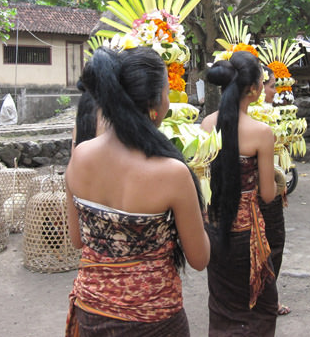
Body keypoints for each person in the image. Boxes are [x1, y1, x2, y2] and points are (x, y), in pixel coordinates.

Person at [65, 46, 210, 336]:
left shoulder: (80, 156)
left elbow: (77, 239)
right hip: (154, 319)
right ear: (155, 102)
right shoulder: (172, 172)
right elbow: (199, 258)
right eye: (168, 91)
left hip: (91, 313)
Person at [201, 50, 278, 337]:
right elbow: (268, 195)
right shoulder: (261, 133)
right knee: (262, 307)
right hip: (247, 235)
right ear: (255, 88)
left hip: (214, 227)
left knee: (222, 307)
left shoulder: (207, 124)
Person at [259, 67, 290, 316]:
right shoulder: (259, 126)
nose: (274, 91)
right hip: (263, 196)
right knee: (272, 245)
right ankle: (267, 299)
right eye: (271, 86)